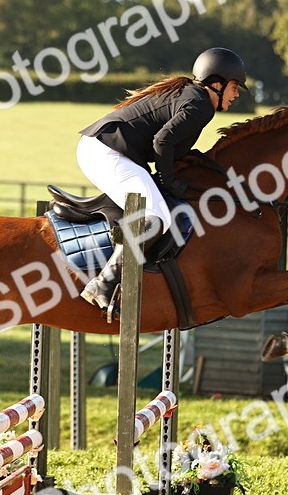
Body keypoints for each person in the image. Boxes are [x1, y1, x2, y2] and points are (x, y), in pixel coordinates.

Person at [75, 47, 248, 313]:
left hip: (105, 149)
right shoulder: (201, 105)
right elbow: (163, 141)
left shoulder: (192, 94)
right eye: (234, 87)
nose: (236, 95)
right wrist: (169, 181)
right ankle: (103, 284)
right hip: (107, 153)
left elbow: (170, 144)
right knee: (156, 218)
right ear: (217, 83)